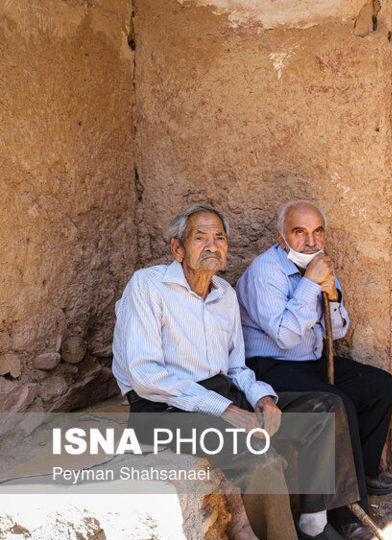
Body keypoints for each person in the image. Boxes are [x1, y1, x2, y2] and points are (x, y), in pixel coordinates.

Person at [112, 204, 362, 540]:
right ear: (177, 248)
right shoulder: (148, 287)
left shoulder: (224, 294)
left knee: (323, 408)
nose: (212, 245)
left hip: (221, 396)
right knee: (263, 459)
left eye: (219, 237)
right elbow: (145, 376)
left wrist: (264, 398)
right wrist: (226, 410)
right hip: (162, 411)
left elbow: (236, 368)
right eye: (200, 238)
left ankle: (313, 523)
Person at [236, 200, 392, 539]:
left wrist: (332, 293)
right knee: (337, 403)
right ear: (282, 239)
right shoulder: (266, 272)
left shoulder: (320, 266)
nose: (311, 242)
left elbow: (337, 332)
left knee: (378, 386)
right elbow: (284, 337)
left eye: (317, 232)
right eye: (300, 233)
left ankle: (364, 470)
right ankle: (346, 512)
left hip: (312, 361)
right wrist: (310, 285)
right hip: (272, 366)